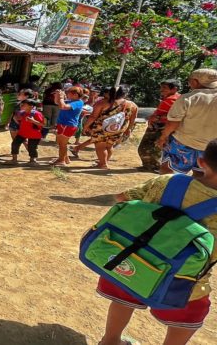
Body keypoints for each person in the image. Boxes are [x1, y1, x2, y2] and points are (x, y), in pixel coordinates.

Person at [94, 139, 217, 345]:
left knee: (125, 299)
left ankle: (110, 341)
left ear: (202, 162)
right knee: (186, 320)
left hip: (133, 261)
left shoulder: (169, 181)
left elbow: (122, 198)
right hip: (184, 282)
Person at [157, 69, 217, 175]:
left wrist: (163, 137)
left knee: (168, 171)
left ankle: (168, 190)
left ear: (195, 82)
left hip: (183, 143)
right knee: (200, 175)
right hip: (209, 148)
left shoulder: (188, 98)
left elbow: (173, 124)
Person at [84, 86, 138, 170]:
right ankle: (104, 161)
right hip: (119, 128)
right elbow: (132, 119)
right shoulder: (133, 105)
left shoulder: (103, 103)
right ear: (125, 93)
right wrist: (128, 129)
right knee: (109, 146)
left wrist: (86, 126)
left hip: (101, 128)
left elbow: (93, 116)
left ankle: (103, 164)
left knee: (100, 146)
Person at [138, 79, 181, 171]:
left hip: (160, 127)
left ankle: (153, 166)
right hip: (160, 126)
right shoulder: (177, 98)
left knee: (146, 147)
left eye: (164, 88)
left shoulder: (172, 99)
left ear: (174, 89)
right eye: (161, 88)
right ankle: (151, 166)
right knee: (154, 147)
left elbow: (174, 115)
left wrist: (156, 118)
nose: (161, 90)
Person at [52, 86, 85, 166]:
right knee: (61, 143)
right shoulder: (71, 101)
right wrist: (57, 96)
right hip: (64, 124)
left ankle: (61, 160)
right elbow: (58, 103)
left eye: (69, 93)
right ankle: (65, 159)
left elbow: (63, 106)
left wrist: (61, 97)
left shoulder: (78, 102)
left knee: (62, 144)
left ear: (75, 94)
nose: (67, 94)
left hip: (68, 125)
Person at [8, 99, 44, 166]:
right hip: (22, 132)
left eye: (24, 105)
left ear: (31, 106)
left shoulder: (37, 114)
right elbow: (18, 119)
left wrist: (33, 121)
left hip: (34, 134)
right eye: (21, 105)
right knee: (15, 144)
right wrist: (16, 119)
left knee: (32, 147)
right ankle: (14, 159)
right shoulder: (23, 112)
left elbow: (43, 124)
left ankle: (33, 160)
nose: (21, 106)